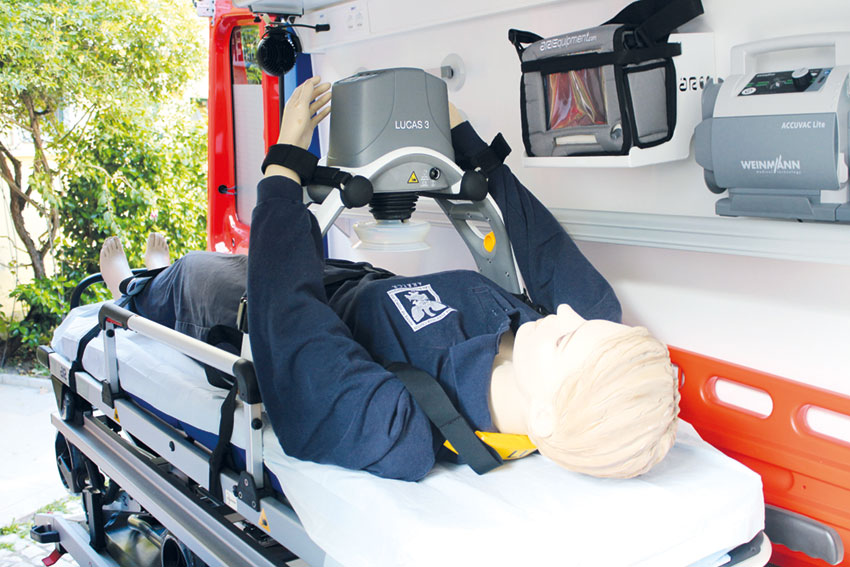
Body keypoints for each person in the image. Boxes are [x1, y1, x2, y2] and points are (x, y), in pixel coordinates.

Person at [100, 77, 679, 482]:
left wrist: (283, 164)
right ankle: (155, 276)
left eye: (569, 335)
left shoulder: (396, 432)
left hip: (273, 311)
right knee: (216, 262)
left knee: (197, 270)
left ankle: (133, 288)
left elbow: (290, 318)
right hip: (360, 279)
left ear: (547, 416)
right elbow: (542, 244)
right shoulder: (575, 340)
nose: (568, 314)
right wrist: (469, 145)